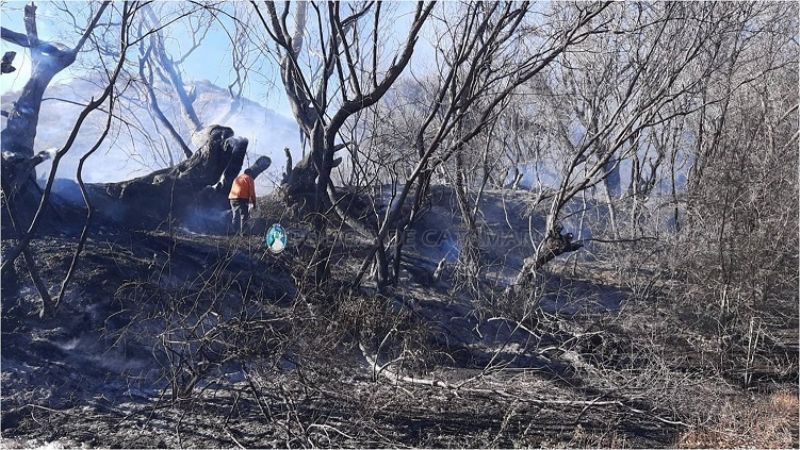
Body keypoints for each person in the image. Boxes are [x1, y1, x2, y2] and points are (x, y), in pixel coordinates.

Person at [228, 168, 257, 234]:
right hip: (242, 198)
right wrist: (254, 203)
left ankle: (234, 231)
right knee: (244, 216)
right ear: (250, 173)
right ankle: (244, 232)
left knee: (235, 215)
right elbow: (252, 192)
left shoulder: (237, 178)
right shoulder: (249, 178)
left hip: (232, 198)